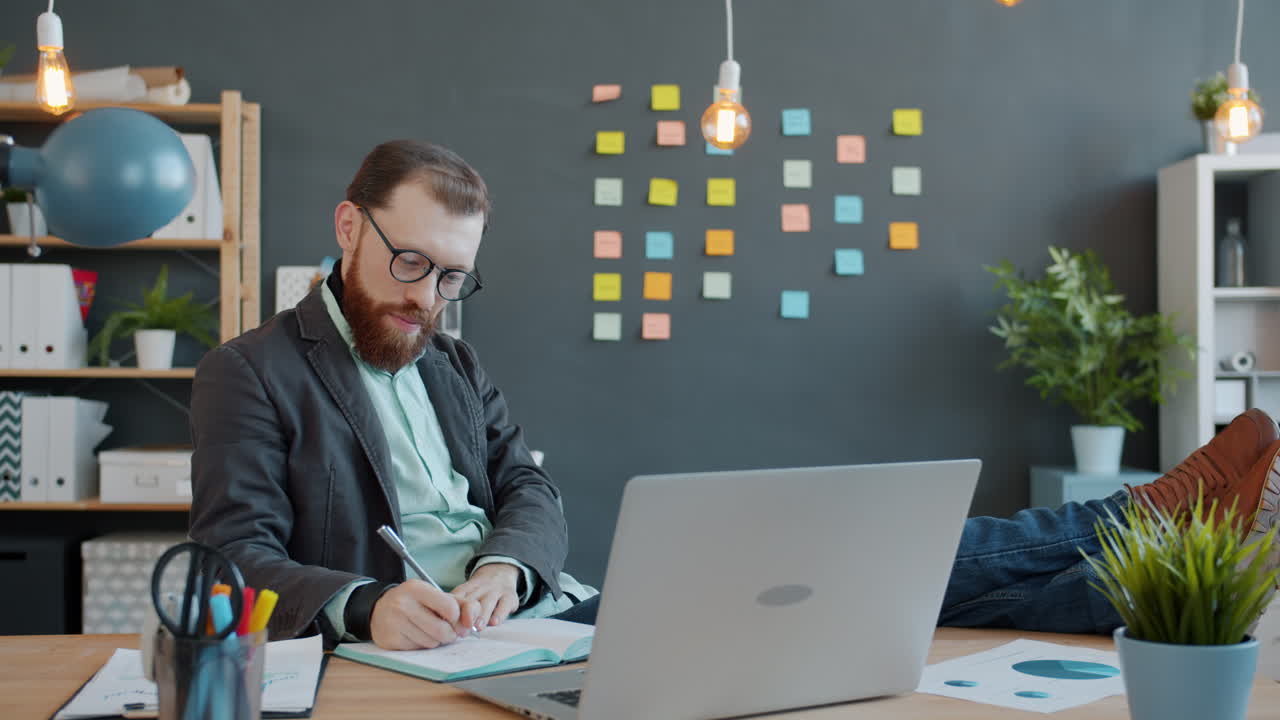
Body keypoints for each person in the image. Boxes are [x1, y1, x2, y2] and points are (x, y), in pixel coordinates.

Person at [189, 139, 1280, 650]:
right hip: (419, 657)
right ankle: (1143, 539)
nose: (428, 300)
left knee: (864, 574)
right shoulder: (255, 373)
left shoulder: (453, 359)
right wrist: (367, 599)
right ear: (348, 227)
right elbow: (234, 553)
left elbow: (530, 488)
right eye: (410, 265)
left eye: (456, 277)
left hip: (546, 623)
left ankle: (1144, 536)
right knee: (865, 579)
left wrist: (505, 564)